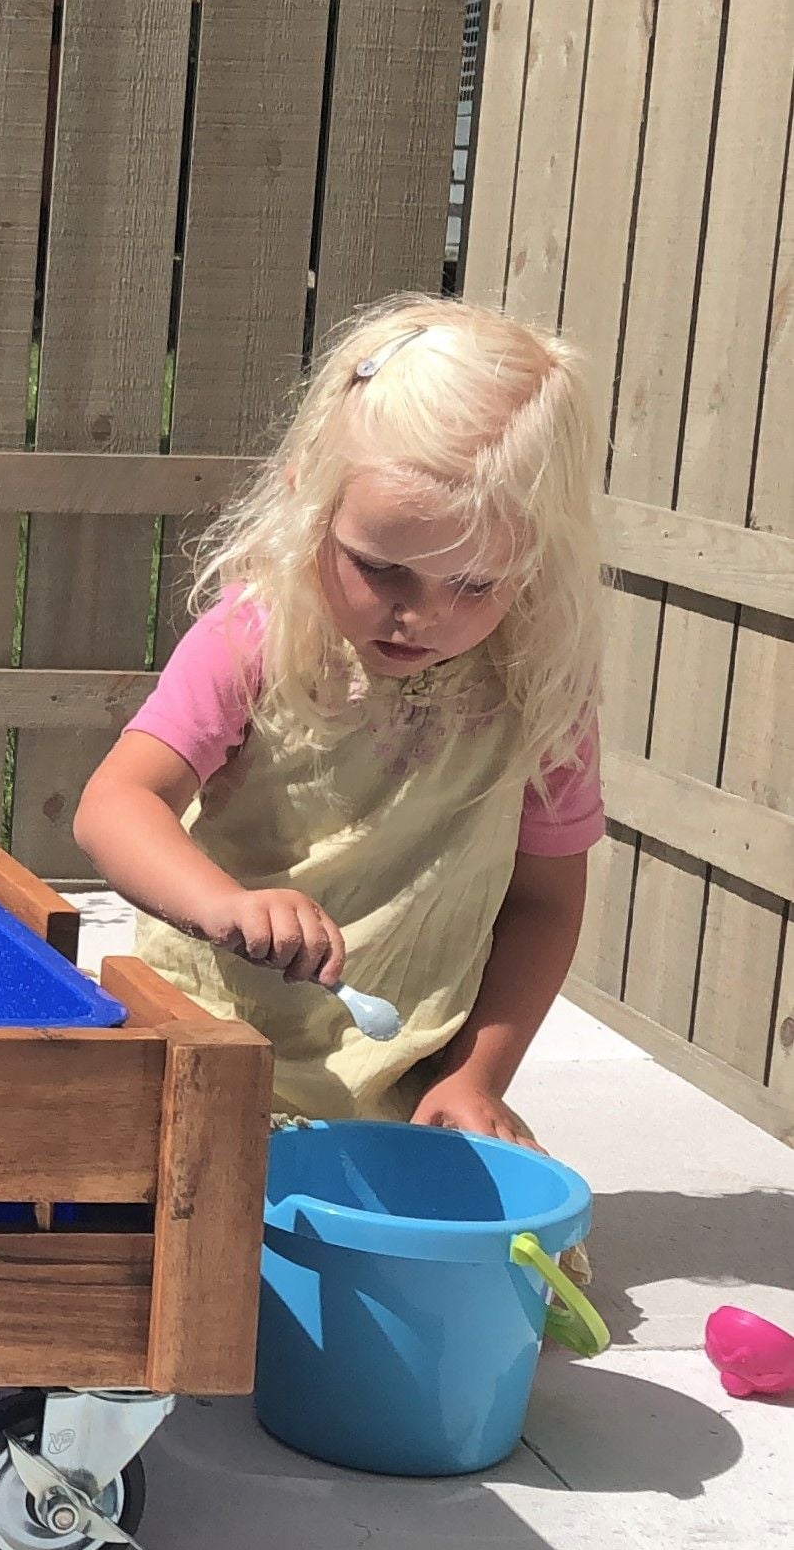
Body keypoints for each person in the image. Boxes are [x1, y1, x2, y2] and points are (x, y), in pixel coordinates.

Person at [73, 296, 603, 1246]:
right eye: (381, 568)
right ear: (308, 503)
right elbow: (116, 803)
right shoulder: (257, 638)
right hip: (210, 1046)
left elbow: (543, 905)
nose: (419, 615)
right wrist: (223, 904)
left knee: (490, 1266)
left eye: (472, 583)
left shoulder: (538, 687)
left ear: (534, 557)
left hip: (404, 1082)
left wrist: (475, 1078)